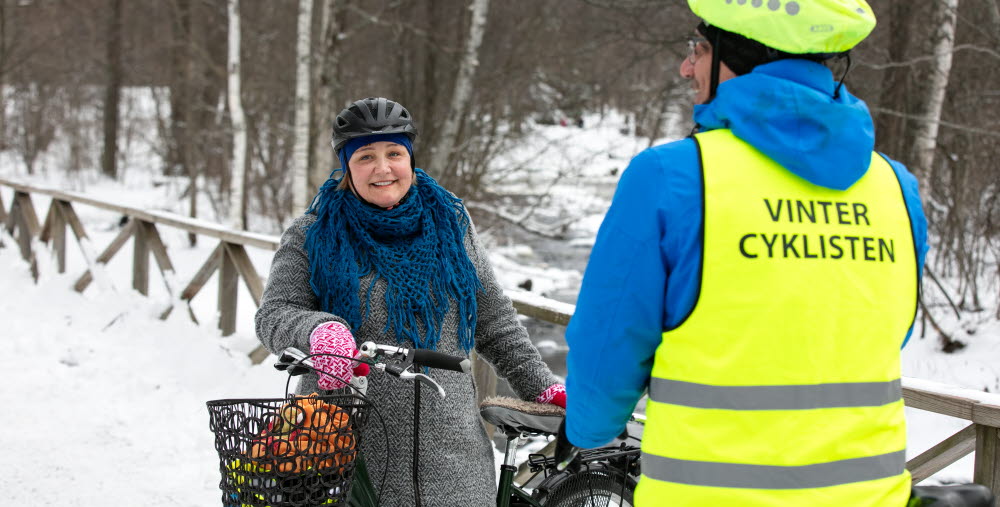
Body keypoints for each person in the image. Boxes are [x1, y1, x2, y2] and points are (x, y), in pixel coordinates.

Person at [558, 1, 928, 506]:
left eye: (701, 49)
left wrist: (585, 428)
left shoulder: (673, 177)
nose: (687, 66)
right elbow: (882, 330)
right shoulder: (896, 188)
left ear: (738, 55)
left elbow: (608, 351)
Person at [255, 97, 566, 506]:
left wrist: (541, 386)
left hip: (455, 462)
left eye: (394, 153)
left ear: (410, 158)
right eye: (365, 156)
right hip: (346, 457)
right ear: (347, 165)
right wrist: (319, 330)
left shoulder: (451, 223)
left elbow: (492, 320)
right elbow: (275, 314)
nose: (382, 168)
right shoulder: (313, 233)